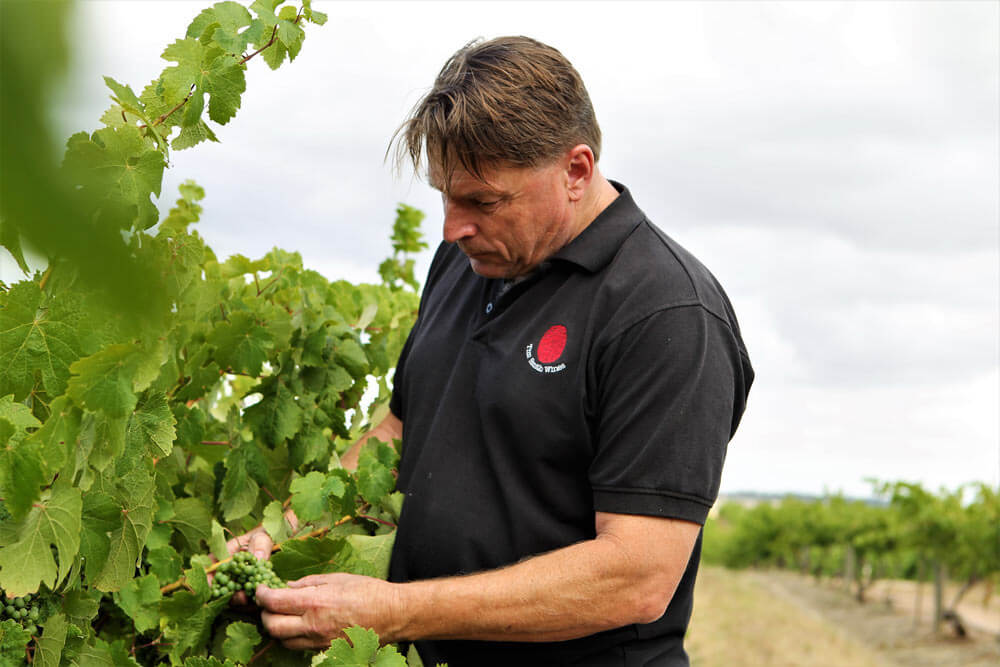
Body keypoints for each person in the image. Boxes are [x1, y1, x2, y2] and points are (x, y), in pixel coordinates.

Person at [248, 36, 754, 666]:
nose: (451, 227)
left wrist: (394, 610)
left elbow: (637, 576)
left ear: (575, 170)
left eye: (482, 202)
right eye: (443, 195)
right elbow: (399, 429)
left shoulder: (667, 313)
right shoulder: (464, 261)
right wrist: (280, 529)